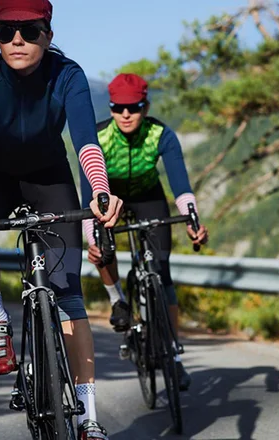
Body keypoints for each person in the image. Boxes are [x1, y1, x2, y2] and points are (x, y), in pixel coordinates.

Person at [0, 1, 123, 438]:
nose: (17, 39)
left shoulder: (68, 76)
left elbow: (86, 143)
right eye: (6, 30)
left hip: (47, 177)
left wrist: (100, 191)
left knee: (68, 295)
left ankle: (89, 415)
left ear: (49, 34)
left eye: (30, 29)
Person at [80, 73, 208, 392]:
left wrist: (192, 220)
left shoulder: (160, 134)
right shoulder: (99, 138)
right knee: (102, 250)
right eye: (118, 108)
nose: (125, 114)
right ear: (110, 109)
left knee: (162, 274)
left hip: (149, 197)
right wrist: (91, 241)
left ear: (145, 106)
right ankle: (118, 301)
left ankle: (174, 355)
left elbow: (180, 185)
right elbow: (87, 197)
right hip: (109, 197)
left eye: (134, 108)